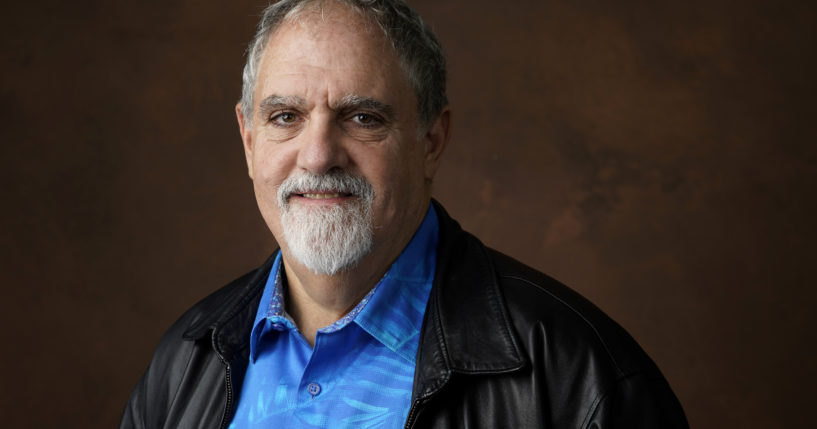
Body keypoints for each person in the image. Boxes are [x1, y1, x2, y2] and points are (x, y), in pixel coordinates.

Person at [120, 0, 689, 427]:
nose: (318, 155)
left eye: (363, 118)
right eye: (285, 117)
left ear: (431, 141)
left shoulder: (580, 376)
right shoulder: (185, 360)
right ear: (248, 142)